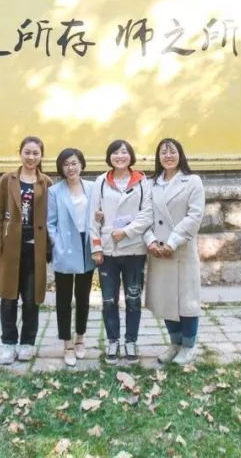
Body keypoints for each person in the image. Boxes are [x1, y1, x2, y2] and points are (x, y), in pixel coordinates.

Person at [88, 139, 153, 363]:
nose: (120, 156)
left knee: (133, 298)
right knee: (108, 300)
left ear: (130, 156)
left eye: (124, 152)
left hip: (134, 249)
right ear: (109, 157)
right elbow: (93, 216)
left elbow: (147, 214)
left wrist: (126, 231)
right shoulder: (101, 182)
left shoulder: (142, 182)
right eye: (115, 153)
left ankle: (131, 341)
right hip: (108, 251)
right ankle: (113, 341)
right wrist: (96, 247)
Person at [0, 136, 52, 365]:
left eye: (36, 153)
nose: (31, 157)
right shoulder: (8, 180)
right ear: (20, 153)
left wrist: (49, 248)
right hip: (10, 249)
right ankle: (8, 344)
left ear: (41, 156)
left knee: (31, 300)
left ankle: (27, 343)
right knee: (8, 298)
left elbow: (51, 217)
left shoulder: (46, 182)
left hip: (35, 250)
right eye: (27, 152)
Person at [145, 138, 205, 366]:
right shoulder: (151, 184)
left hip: (181, 249)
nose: (168, 156)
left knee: (187, 300)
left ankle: (189, 346)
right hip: (158, 251)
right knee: (165, 299)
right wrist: (150, 240)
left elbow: (194, 216)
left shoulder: (192, 181)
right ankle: (175, 343)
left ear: (180, 154)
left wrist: (172, 242)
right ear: (158, 157)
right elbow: (143, 216)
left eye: (172, 151)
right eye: (163, 152)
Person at [46, 147, 95, 367]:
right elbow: (50, 223)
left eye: (74, 163)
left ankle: (80, 338)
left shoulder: (93, 188)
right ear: (61, 168)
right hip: (65, 246)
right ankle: (67, 344)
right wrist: (57, 245)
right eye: (66, 164)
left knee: (83, 296)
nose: (71, 168)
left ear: (81, 164)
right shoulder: (55, 191)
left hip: (86, 245)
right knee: (64, 298)